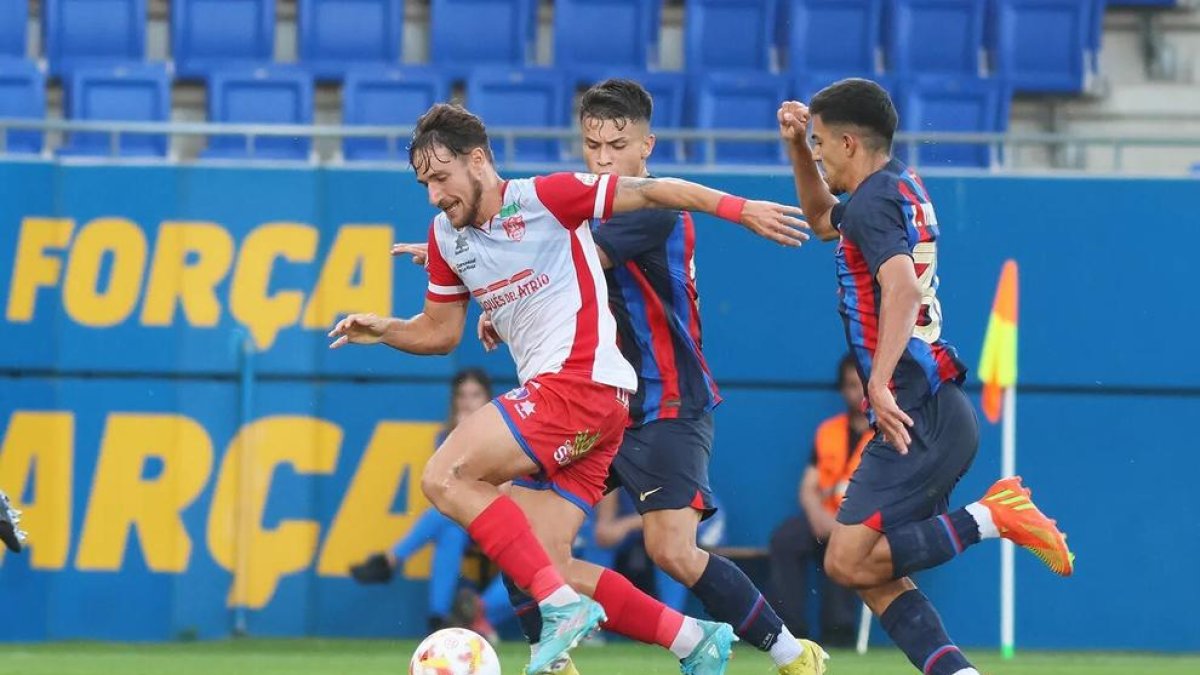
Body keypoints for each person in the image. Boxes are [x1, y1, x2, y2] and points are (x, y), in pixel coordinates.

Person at [328, 102, 808, 675]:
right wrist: (387, 330)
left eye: (440, 178)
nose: (433, 195)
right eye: (424, 184)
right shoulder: (444, 236)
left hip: (589, 388)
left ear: (477, 160)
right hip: (594, 409)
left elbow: (654, 196)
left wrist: (741, 207)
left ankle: (566, 615)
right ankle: (688, 639)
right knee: (536, 555)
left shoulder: (546, 199)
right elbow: (438, 332)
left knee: (447, 476)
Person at [479, 79, 827, 675]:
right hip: (597, 404)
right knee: (520, 536)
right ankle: (555, 662)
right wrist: (496, 298)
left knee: (672, 551)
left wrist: (491, 283)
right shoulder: (582, 208)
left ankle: (794, 656)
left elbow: (563, 261)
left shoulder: (653, 210)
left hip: (667, 402)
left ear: (647, 146)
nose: (604, 158)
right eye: (593, 145)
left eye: (618, 144)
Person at [778, 79, 1074, 675]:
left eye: (821, 145)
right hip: (933, 408)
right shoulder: (897, 185)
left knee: (844, 562)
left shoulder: (872, 202)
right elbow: (818, 219)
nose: (820, 155)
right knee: (873, 573)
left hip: (917, 409)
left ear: (849, 141)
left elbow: (903, 287)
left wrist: (879, 383)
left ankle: (997, 514)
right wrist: (796, 151)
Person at [349, 368, 498, 640]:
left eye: (475, 395)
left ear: (488, 399)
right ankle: (439, 620)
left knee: (447, 522)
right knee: (449, 530)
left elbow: (488, 480)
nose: (467, 402)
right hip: (466, 519)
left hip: (498, 514)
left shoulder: (502, 433)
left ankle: (392, 560)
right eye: (462, 395)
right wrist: (460, 435)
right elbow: (447, 484)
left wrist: (468, 436)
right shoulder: (446, 437)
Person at [769, 354, 870, 647]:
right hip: (823, 519)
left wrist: (842, 525)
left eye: (864, 384)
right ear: (843, 389)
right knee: (785, 539)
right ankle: (790, 632)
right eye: (852, 385)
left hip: (863, 525)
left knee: (846, 545)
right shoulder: (828, 431)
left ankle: (839, 632)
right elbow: (808, 486)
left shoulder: (887, 431)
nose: (859, 392)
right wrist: (817, 516)